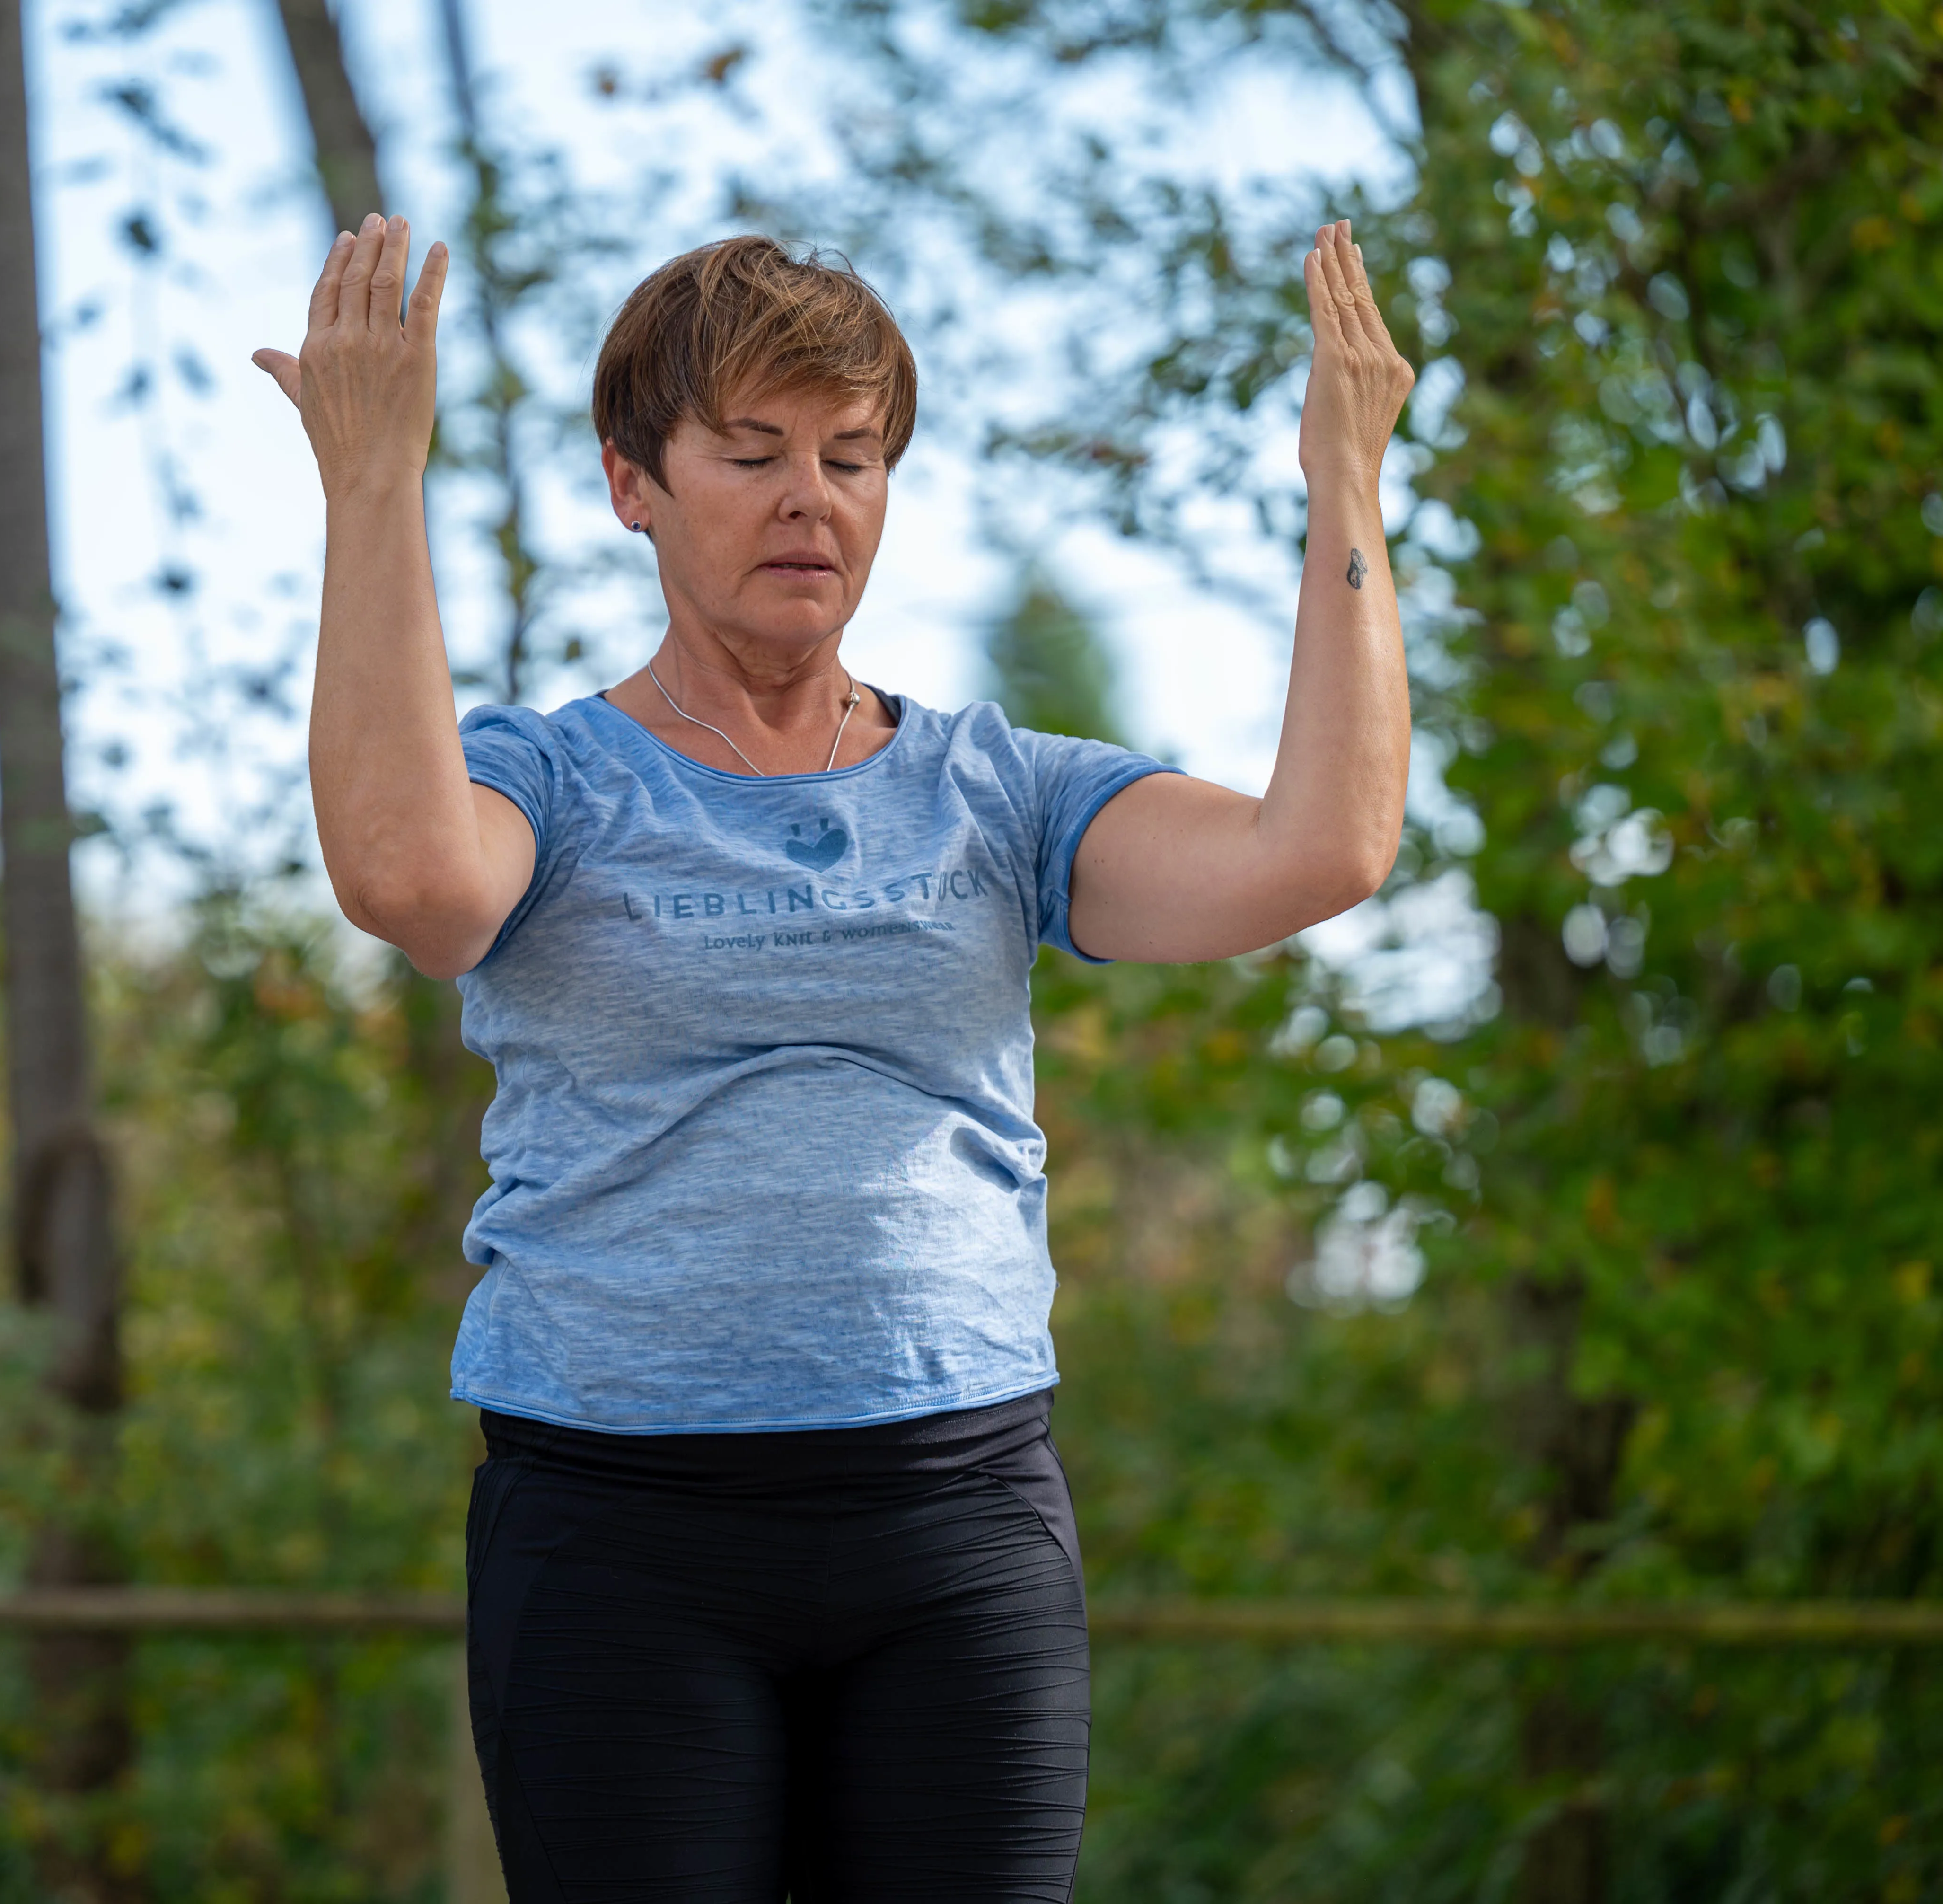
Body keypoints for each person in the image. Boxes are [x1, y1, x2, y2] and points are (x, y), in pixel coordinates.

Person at [254, 217, 1414, 1900]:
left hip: (958, 1522)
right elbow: (411, 883)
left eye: (851, 457)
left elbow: (1322, 851)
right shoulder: (549, 781)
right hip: (619, 1535)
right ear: (634, 484)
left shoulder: (1001, 791)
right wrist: (374, 483)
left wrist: (1347, 481)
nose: (811, 497)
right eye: (752, 454)